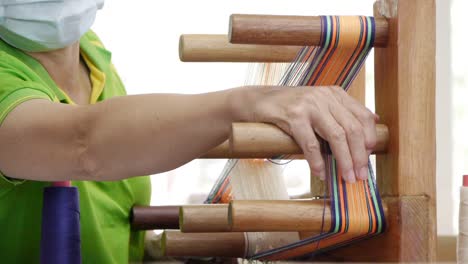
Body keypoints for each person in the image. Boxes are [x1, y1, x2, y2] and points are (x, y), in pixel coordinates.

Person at [0, 0, 378, 263]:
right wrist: (246, 103)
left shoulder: (92, 56)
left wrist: (167, 252)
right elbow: (83, 145)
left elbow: (104, 220)